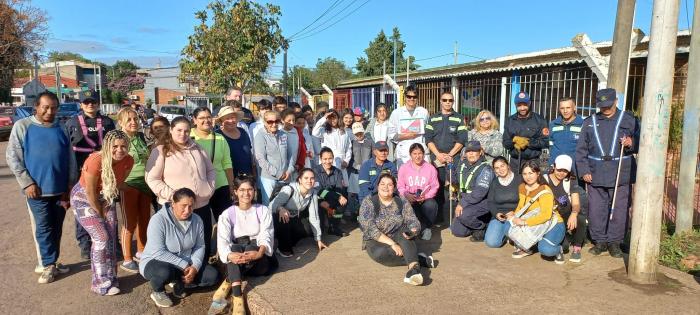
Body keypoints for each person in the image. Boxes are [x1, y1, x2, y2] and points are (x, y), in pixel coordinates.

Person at [6, 91, 77, 284]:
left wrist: (70, 184)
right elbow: (13, 157)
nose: (49, 111)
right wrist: (27, 182)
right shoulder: (23, 126)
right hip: (36, 190)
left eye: (53, 107)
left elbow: (70, 158)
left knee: (56, 228)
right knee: (43, 228)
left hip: (60, 189)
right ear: (36, 106)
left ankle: (53, 261)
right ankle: (47, 265)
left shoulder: (61, 127)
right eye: (45, 107)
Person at [575, 88, 639, 258]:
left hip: (621, 172)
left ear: (616, 101)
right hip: (596, 172)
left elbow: (640, 141)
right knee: (596, 209)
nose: (606, 109)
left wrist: (631, 142)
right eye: (602, 106)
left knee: (619, 209)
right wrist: (584, 170)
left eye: (609, 105)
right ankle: (600, 241)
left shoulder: (629, 119)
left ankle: (615, 242)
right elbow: (581, 149)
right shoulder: (589, 122)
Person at [70, 130, 134, 295]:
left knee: (111, 238)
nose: (119, 150)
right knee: (101, 237)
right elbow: (90, 192)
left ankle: (111, 276)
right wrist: (100, 213)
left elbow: (118, 184)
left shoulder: (128, 160)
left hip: (107, 197)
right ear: (107, 146)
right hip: (84, 199)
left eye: (123, 146)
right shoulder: (96, 160)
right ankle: (100, 282)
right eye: (115, 146)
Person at [145, 116, 216, 261]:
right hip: (174, 207)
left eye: (186, 131)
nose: (183, 134)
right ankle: (177, 273)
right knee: (176, 244)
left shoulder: (198, 148)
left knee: (202, 243)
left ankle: (200, 271)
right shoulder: (161, 151)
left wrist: (209, 188)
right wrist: (174, 197)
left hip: (201, 204)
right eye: (179, 130)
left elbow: (210, 170)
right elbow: (152, 178)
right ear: (171, 130)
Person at [140, 188, 219, 308]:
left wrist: (195, 267)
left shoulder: (197, 220)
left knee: (213, 276)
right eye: (184, 205)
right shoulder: (158, 220)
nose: (187, 210)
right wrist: (185, 265)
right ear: (173, 204)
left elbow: (200, 246)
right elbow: (158, 252)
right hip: (156, 262)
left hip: (185, 264)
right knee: (164, 272)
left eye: (191, 206)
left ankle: (180, 282)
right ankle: (158, 291)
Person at [358, 173, 434, 286]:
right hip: (376, 238)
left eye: (389, 185)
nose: (385, 187)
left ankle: (414, 270)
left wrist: (413, 231)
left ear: (394, 187)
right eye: (382, 184)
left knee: (406, 235)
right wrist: (392, 244)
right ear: (377, 186)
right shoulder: (368, 202)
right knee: (380, 254)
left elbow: (412, 220)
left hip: (398, 233)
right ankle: (420, 259)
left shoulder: (401, 201)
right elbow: (369, 228)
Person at [214, 177, 276, 314]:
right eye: (241, 190)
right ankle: (237, 297)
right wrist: (230, 255)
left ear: (254, 191)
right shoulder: (228, 213)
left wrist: (260, 252)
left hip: (256, 252)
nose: (246, 193)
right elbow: (223, 239)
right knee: (234, 249)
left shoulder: (263, 210)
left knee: (250, 250)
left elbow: (267, 233)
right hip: (237, 251)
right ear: (235, 191)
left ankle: (228, 281)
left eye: (249, 189)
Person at [66, 96, 117, 259]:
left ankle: (112, 241)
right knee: (83, 209)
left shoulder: (108, 122)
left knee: (108, 208)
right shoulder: (72, 122)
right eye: (86, 102)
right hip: (81, 172)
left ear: (98, 104)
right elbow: (67, 149)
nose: (90, 105)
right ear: (81, 104)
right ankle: (85, 244)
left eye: (93, 102)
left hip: (105, 172)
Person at [493, 160, 565, 259]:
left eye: (531, 173)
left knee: (545, 250)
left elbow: (546, 216)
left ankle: (558, 249)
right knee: (508, 225)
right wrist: (514, 215)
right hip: (534, 222)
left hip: (552, 225)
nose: (528, 177)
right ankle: (529, 248)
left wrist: (524, 222)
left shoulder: (544, 190)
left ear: (538, 173)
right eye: (525, 174)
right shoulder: (522, 187)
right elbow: (521, 206)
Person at [116, 108, 153, 273]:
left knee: (144, 220)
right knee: (129, 222)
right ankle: (127, 258)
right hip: (128, 184)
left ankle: (141, 250)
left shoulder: (139, 137)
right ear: (121, 122)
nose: (133, 122)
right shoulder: (118, 139)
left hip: (144, 183)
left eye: (135, 119)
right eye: (129, 119)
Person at [425, 91, 468, 223]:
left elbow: (462, 139)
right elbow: (428, 138)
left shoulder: (459, 118)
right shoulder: (432, 118)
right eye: (445, 100)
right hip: (437, 158)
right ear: (440, 101)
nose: (447, 102)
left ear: (453, 102)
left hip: (452, 158)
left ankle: (457, 217)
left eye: (450, 100)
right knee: (437, 187)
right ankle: (438, 217)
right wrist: (438, 155)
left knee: (454, 188)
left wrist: (449, 155)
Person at [269, 168, 327, 257]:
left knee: (308, 230)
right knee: (284, 217)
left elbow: (314, 216)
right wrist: (280, 209)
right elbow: (271, 206)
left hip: (293, 218)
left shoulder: (313, 193)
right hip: (277, 218)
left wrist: (318, 239)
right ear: (300, 180)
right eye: (306, 178)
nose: (309, 181)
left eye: (312, 178)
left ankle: (285, 240)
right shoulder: (289, 189)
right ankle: (282, 248)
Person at [190, 107, 234, 222]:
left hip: (220, 186)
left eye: (208, 117)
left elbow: (227, 164)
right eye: (201, 118)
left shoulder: (220, 138)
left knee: (225, 222)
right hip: (197, 188)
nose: (206, 120)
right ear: (194, 120)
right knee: (201, 224)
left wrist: (231, 186)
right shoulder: (187, 137)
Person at [543, 155, 588, 263]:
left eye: (565, 171)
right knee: (565, 247)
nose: (561, 173)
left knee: (580, 218)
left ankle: (577, 247)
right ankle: (566, 238)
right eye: (559, 170)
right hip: (551, 216)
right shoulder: (544, 179)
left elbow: (576, 203)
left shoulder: (570, 180)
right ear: (554, 166)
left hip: (566, 212)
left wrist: (573, 213)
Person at [449, 141, 494, 241]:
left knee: (463, 215)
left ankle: (483, 226)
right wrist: (449, 167)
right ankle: (472, 224)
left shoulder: (486, 168)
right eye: (469, 151)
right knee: (457, 231)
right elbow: (455, 181)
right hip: (467, 201)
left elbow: (479, 194)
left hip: (482, 202)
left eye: (474, 151)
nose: (471, 154)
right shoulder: (463, 164)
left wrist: (462, 203)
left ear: (480, 152)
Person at [397, 143, 439, 240]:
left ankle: (427, 228)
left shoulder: (430, 168)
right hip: (410, 196)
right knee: (405, 207)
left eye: (420, 153)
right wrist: (406, 194)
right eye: (414, 153)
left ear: (423, 154)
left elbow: (435, 186)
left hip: (425, 197)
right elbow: (400, 186)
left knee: (431, 205)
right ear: (410, 154)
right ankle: (412, 229)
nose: (417, 156)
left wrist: (426, 196)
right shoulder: (404, 168)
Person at [254, 110, 294, 205]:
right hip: (269, 178)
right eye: (270, 122)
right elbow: (261, 159)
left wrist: (289, 170)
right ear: (264, 122)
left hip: (285, 177)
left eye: (277, 121)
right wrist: (277, 173)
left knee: (283, 205)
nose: (274, 124)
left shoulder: (283, 134)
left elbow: (290, 154)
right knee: (269, 205)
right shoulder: (260, 136)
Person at [502, 91, 549, 172]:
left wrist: (528, 142)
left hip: (535, 162)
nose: (522, 108)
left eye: (525, 104)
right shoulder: (510, 120)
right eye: (519, 105)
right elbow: (505, 143)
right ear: (515, 105)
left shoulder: (540, 120)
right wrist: (514, 141)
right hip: (515, 163)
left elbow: (546, 142)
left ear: (529, 103)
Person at [484, 156, 523, 248]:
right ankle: (505, 235)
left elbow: (525, 200)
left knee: (520, 241)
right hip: (500, 216)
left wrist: (516, 213)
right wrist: (496, 214)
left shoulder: (520, 179)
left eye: (502, 166)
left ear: (508, 166)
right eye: (497, 168)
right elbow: (490, 202)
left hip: (517, 214)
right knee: (492, 243)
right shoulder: (494, 182)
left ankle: (509, 232)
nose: (500, 169)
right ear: (494, 170)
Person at [389, 85, 429, 168]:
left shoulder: (424, 112)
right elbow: (391, 135)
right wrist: (406, 136)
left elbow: (428, 131)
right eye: (409, 96)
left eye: (414, 97)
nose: (411, 99)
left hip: (420, 154)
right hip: (403, 154)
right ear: (405, 97)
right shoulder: (396, 113)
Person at [314, 148, 349, 236]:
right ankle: (320, 226)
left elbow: (339, 189)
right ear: (320, 159)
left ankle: (334, 227)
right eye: (325, 159)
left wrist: (337, 198)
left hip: (332, 199)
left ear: (333, 158)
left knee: (343, 201)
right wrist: (322, 202)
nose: (328, 161)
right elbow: (319, 191)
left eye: (330, 158)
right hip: (318, 201)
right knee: (319, 230)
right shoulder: (315, 171)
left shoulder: (337, 172)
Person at [312, 110, 352, 182]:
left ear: (338, 118)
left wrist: (346, 160)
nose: (333, 120)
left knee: (341, 186)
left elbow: (348, 148)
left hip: (342, 163)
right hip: (328, 162)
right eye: (330, 118)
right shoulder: (323, 130)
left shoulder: (344, 131)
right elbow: (314, 132)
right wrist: (324, 117)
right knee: (328, 184)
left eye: (334, 118)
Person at [549, 97, 584, 176]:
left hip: (575, 171)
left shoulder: (583, 124)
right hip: (556, 171)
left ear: (574, 108)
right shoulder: (553, 124)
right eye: (562, 108)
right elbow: (546, 147)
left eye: (568, 107)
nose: (565, 111)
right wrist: (545, 168)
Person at [217, 106, 254, 179]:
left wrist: (253, 172)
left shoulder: (243, 132)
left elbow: (249, 154)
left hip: (247, 176)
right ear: (221, 121)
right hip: (227, 178)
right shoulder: (218, 135)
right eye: (227, 118)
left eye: (233, 118)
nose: (231, 121)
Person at [348, 122, 373, 214]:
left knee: (365, 192)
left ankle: (366, 212)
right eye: (356, 134)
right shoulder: (352, 143)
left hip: (367, 171)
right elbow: (349, 157)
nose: (359, 135)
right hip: (355, 171)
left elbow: (373, 156)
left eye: (360, 133)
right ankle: (354, 212)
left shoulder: (370, 142)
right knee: (353, 193)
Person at [280, 109, 300, 180]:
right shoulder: (279, 133)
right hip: (282, 171)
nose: (292, 123)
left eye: (293, 120)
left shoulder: (296, 132)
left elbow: (295, 152)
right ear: (282, 120)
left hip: (294, 168)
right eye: (289, 120)